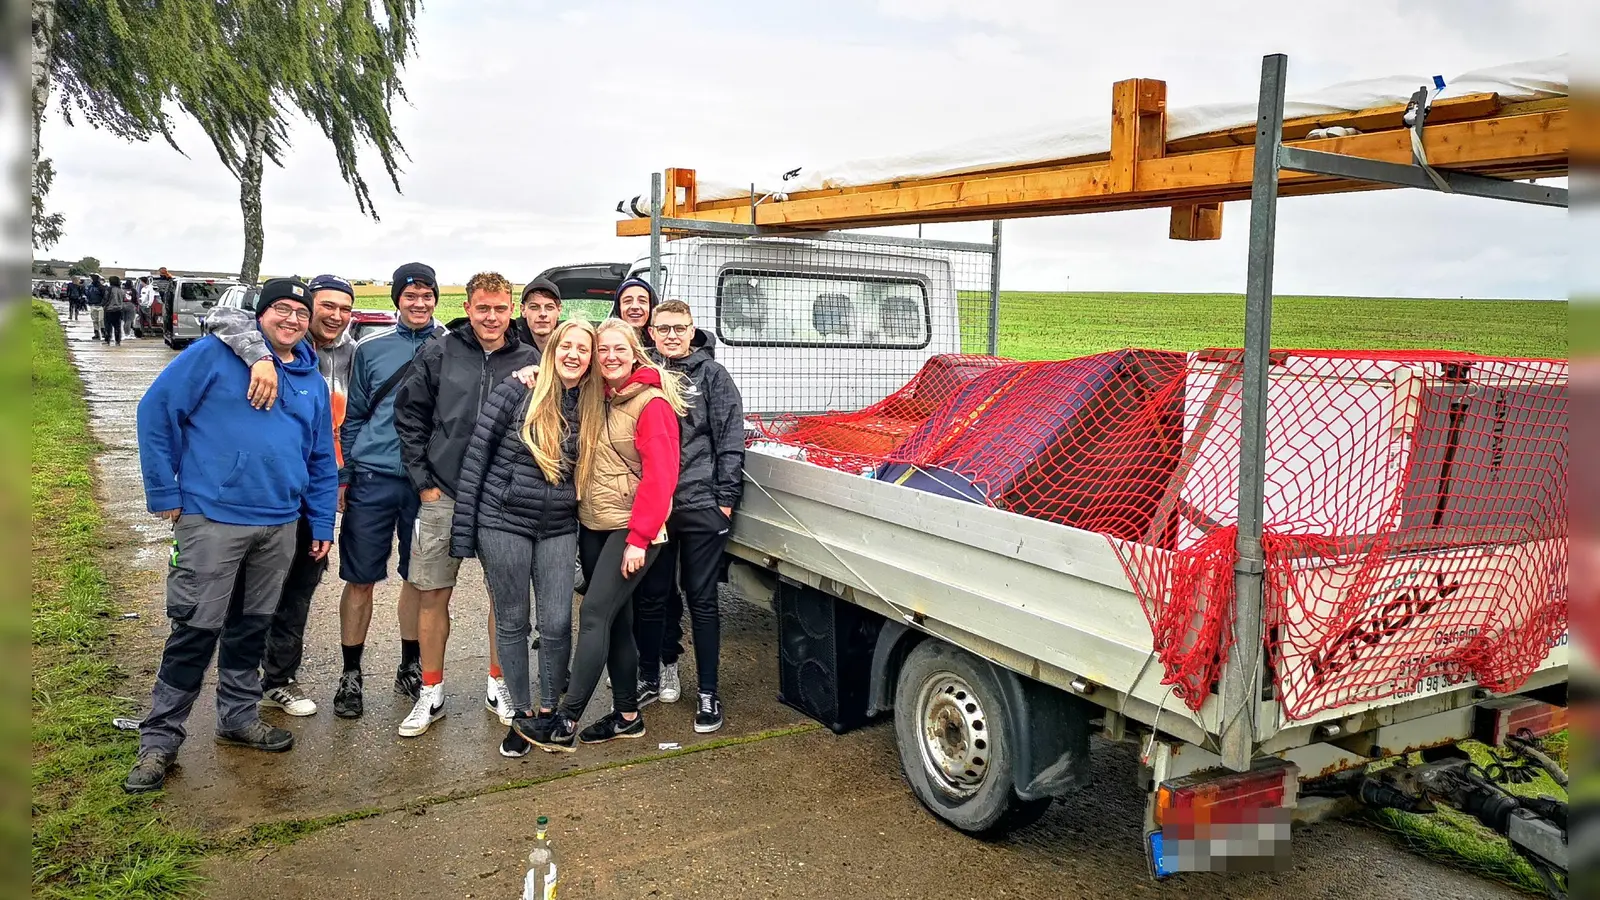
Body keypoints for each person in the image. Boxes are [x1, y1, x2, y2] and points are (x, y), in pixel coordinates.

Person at [125, 279, 337, 794]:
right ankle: (160, 740)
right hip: (212, 518)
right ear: (260, 315)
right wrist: (164, 491)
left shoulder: (310, 378)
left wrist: (322, 520)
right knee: (196, 628)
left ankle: (237, 718)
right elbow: (156, 412)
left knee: (250, 628)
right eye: (281, 310)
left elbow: (319, 458)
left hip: (280, 523)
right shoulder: (212, 356)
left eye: (300, 313)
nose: (292, 320)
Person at [392, 271, 538, 737]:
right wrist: (424, 484)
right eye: (482, 308)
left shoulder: (530, 357)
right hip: (445, 493)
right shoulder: (440, 350)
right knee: (433, 594)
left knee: (506, 598)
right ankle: (431, 691)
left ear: (510, 308)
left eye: (500, 308)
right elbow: (409, 416)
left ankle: (501, 683)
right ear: (468, 307)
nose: (491, 317)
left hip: (502, 499)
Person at [205, 274, 357, 716]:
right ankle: (237, 682)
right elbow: (221, 315)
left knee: (298, 591)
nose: (336, 316)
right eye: (326, 306)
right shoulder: (267, 344)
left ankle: (280, 678)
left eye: (345, 309)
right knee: (247, 593)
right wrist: (258, 356)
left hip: (321, 487)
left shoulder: (354, 354)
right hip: (267, 493)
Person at [531, 318, 684, 753]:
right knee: (617, 622)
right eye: (603, 351)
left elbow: (661, 477)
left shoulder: (651, 404)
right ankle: (627, 716)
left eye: (619, 349)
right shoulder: (600, 397)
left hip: (631, 530)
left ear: (635, 351)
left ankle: (566, 720)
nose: (610, 357)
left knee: (595, 615)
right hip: (595, 524)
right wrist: (529, 372)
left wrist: (638, 538)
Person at [452, 318, 595, 757]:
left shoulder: (591, 403)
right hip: (503, 521)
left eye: (582, 349)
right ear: (551, 349)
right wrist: (464, 534)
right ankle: (519, 715)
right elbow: (477, 457)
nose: (573, 354)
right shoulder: (517, 390)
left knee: (555, 624)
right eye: (565, 345)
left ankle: (549, 713)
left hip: (557, 527)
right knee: (513, 622)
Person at [334, 263, 446, 719]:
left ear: (436, 299)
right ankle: (351, 674)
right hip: (374, 477)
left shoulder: (451, 347)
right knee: (360, 578)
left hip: (427, 486)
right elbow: (354, 414)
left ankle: (410, 664)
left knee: (418, 578)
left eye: (426, 296)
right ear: (396, 300)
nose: (418, 303)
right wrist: (346, 475)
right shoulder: (370, 349)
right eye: (410, 296)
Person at [632, 301, 744, 733]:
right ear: (653, 333)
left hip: (701, 504)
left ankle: (709, 693)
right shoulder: (644, 374)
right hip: (657, 507)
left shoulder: (712, 376)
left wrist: (725, 499)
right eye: (664, 329)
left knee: (702, 600)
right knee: (654, 597)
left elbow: (729, 437)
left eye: (680, 328)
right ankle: (657, 672)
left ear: (693, 330)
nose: (672, 335)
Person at [512, 277, 563, 362]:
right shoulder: (509, 342)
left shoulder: (569, 340)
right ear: (523, 310)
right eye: (534, 307)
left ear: (559, 310)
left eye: (549, 307)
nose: (543, 314)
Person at [102, 275, 127, 345]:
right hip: (119, 310)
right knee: (117, 326)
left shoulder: (109, 289)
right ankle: (117, 341)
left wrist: (103, 304)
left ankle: (107, 340)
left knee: (108, 326)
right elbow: (124, 299)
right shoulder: (121, 290)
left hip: (109, 309)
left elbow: (106, 298)